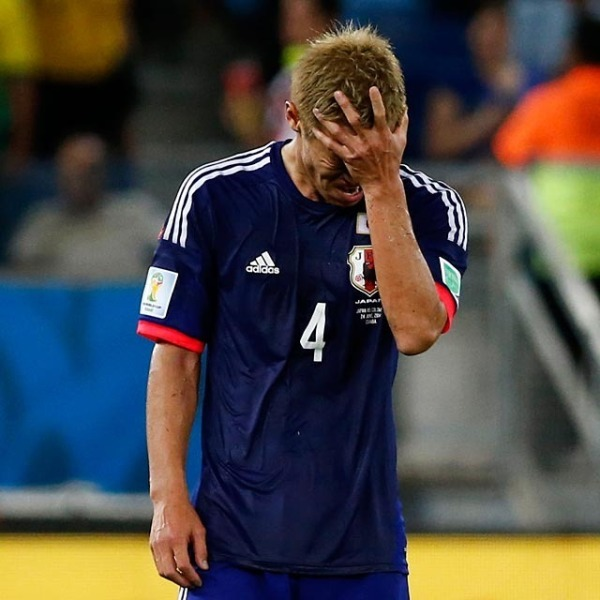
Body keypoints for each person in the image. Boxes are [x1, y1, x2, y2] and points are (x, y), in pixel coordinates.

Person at [137, 24, 468, 599]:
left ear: (397, 130)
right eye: (337, 154)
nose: (353, 171)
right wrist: (168, 499)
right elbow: (176, 356)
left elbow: (417, 331)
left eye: (368, 153)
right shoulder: (216, 195)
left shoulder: (432, 207)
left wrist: (381, 187)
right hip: (230, 544)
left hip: (360, 550)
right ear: (292, 117)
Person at [6, 133, 163, 281]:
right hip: (59, 299)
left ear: (104, 171)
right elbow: (19, 274)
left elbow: (172, 252)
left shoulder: (137, 212)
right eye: (72, 171)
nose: (80, 178)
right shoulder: (42, 221)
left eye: (89, 170)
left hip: (127, 297)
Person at [422, 0, 537, 161]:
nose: (492, 36)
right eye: (484, 27)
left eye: (499, 27)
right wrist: (494, 112)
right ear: (471, 31)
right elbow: (438, 144)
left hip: (520, 169)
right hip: (467, 171)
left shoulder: (534, 80)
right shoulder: (453, 82)